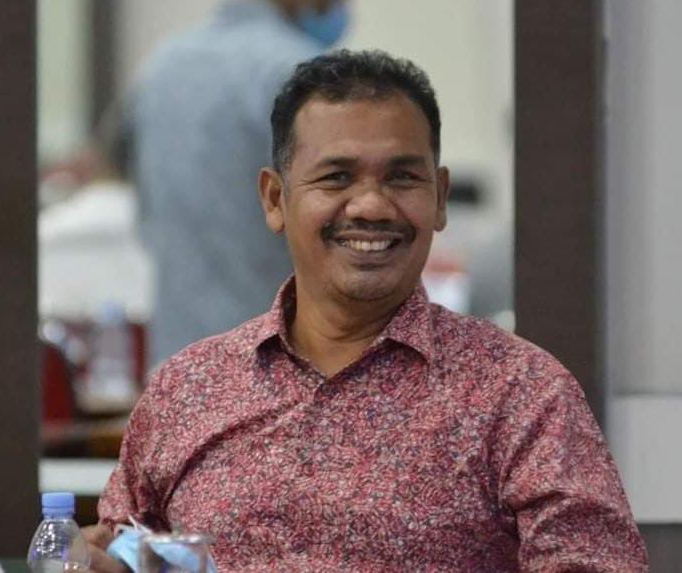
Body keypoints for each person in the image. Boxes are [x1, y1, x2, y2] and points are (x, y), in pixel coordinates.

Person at [87, 50, 649, 571]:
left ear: (440, 197)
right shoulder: (188, 389)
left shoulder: (522, 394)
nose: (372, 206)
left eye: (402, 177)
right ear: (276, 200)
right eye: (337, 177)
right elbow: (116, 550)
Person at [133, 0, 349, 364]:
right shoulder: (295, 71)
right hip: (274, 367)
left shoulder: (162, 68)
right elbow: (335, 234)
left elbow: (146, 217)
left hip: (178, 363)